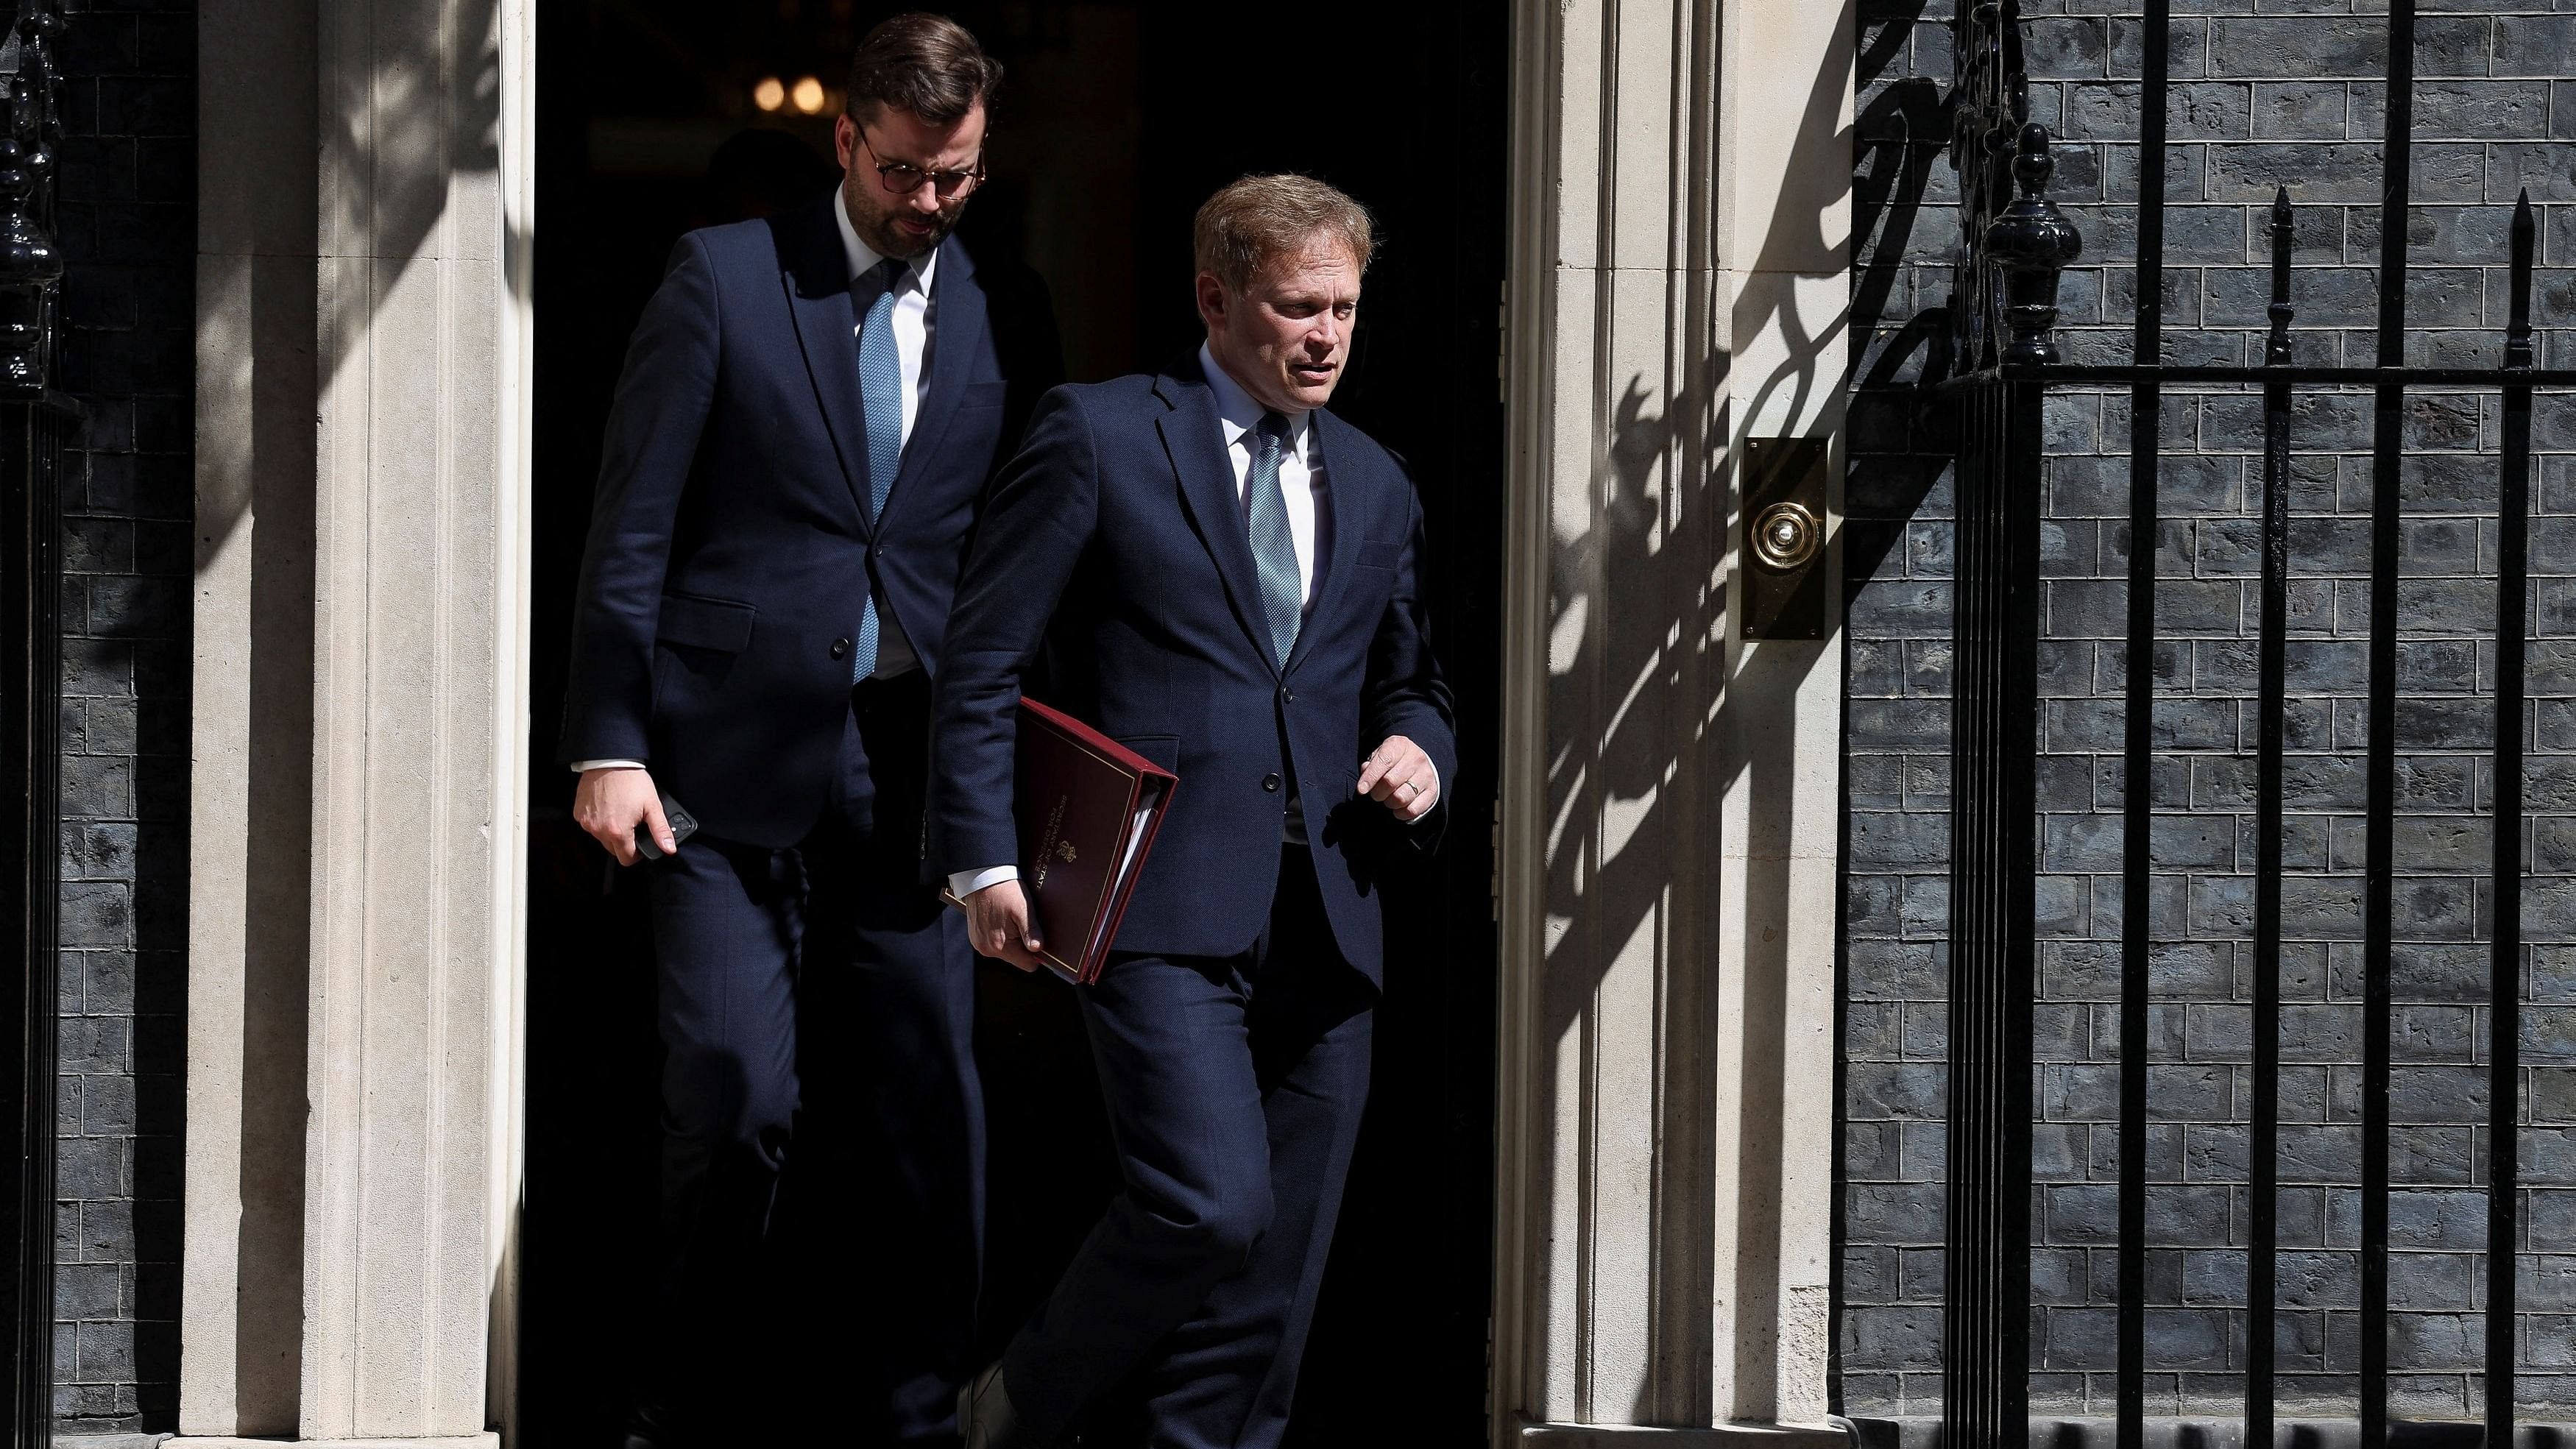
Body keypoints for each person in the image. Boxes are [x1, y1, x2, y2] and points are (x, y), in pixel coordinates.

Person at [556, 14, 1061, 1445]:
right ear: (848, 140)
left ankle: (912, 1416)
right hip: (714, 765)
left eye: (955, 177)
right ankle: (680, 1398)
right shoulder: (723, 277)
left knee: (931, 1117)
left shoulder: (997, 309)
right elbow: (631, 520)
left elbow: (1009, 564)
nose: (928, 204)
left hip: (907, 773)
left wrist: (1012, 794)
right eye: (904, 172)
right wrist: (607, 739)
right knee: (728, 1096)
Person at [930, 174, 1456, 1449]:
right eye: (1297, 306)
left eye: (1344, 307)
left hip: (1330, 915)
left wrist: (1420, 750)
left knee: (1278, 1266)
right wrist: (979, 861)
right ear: (1217, 299)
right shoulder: (1101, 434)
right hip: (1154, 903)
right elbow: (983, 660)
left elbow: (1413, 679)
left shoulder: (1378, 482)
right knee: (1211, 1204)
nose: (1327, 334)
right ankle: (1013, 1406)